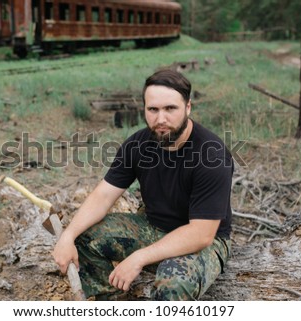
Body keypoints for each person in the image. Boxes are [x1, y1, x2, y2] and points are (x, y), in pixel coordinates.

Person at [53, 69, 233, 300]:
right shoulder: (138, 144)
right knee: (83, 236)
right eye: (153, 110)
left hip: (204, 242)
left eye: (170, 109)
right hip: (152, 227)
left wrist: (139, 257)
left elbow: (201, 234)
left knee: (173, 283)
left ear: (188, 107)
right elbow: (104, 195)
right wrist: (67, 236)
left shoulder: (211, 155)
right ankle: (109, 299)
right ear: (144, 109)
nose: (161, 119)